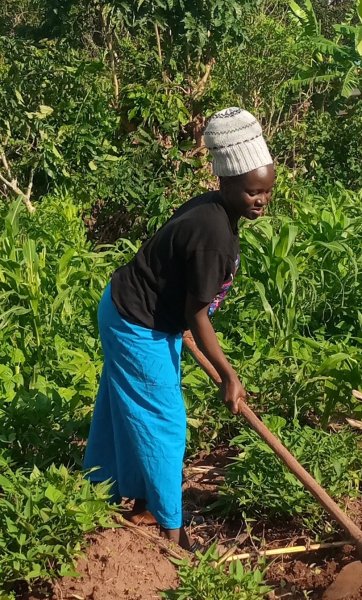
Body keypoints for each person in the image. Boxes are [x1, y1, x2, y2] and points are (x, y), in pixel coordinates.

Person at [83, 107, 275, 550]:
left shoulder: (215, 210)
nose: (261, 200)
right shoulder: (213, 234)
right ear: (225, 183)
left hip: (134, 311)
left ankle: (100, 490)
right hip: (136, 322)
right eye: (251, 192)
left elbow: (186, 297)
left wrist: (187, 332)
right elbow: (196, 313)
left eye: (267, 191)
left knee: (118, 411)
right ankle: (173, 530)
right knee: (164, 421)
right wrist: (228, 374)